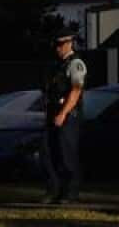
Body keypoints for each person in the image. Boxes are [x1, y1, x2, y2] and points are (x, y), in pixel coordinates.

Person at [41, 29, 87, 204]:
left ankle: (70, 192)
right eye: (56, 45)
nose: (57, 48)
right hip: (54, 113)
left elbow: (75, 91)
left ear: (69, 44)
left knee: (66, 154)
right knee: (47, 151)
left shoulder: (76, 64)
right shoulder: (56, 65)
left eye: (60, 45)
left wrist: (62, 113)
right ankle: (53, 190)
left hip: (68, 114)